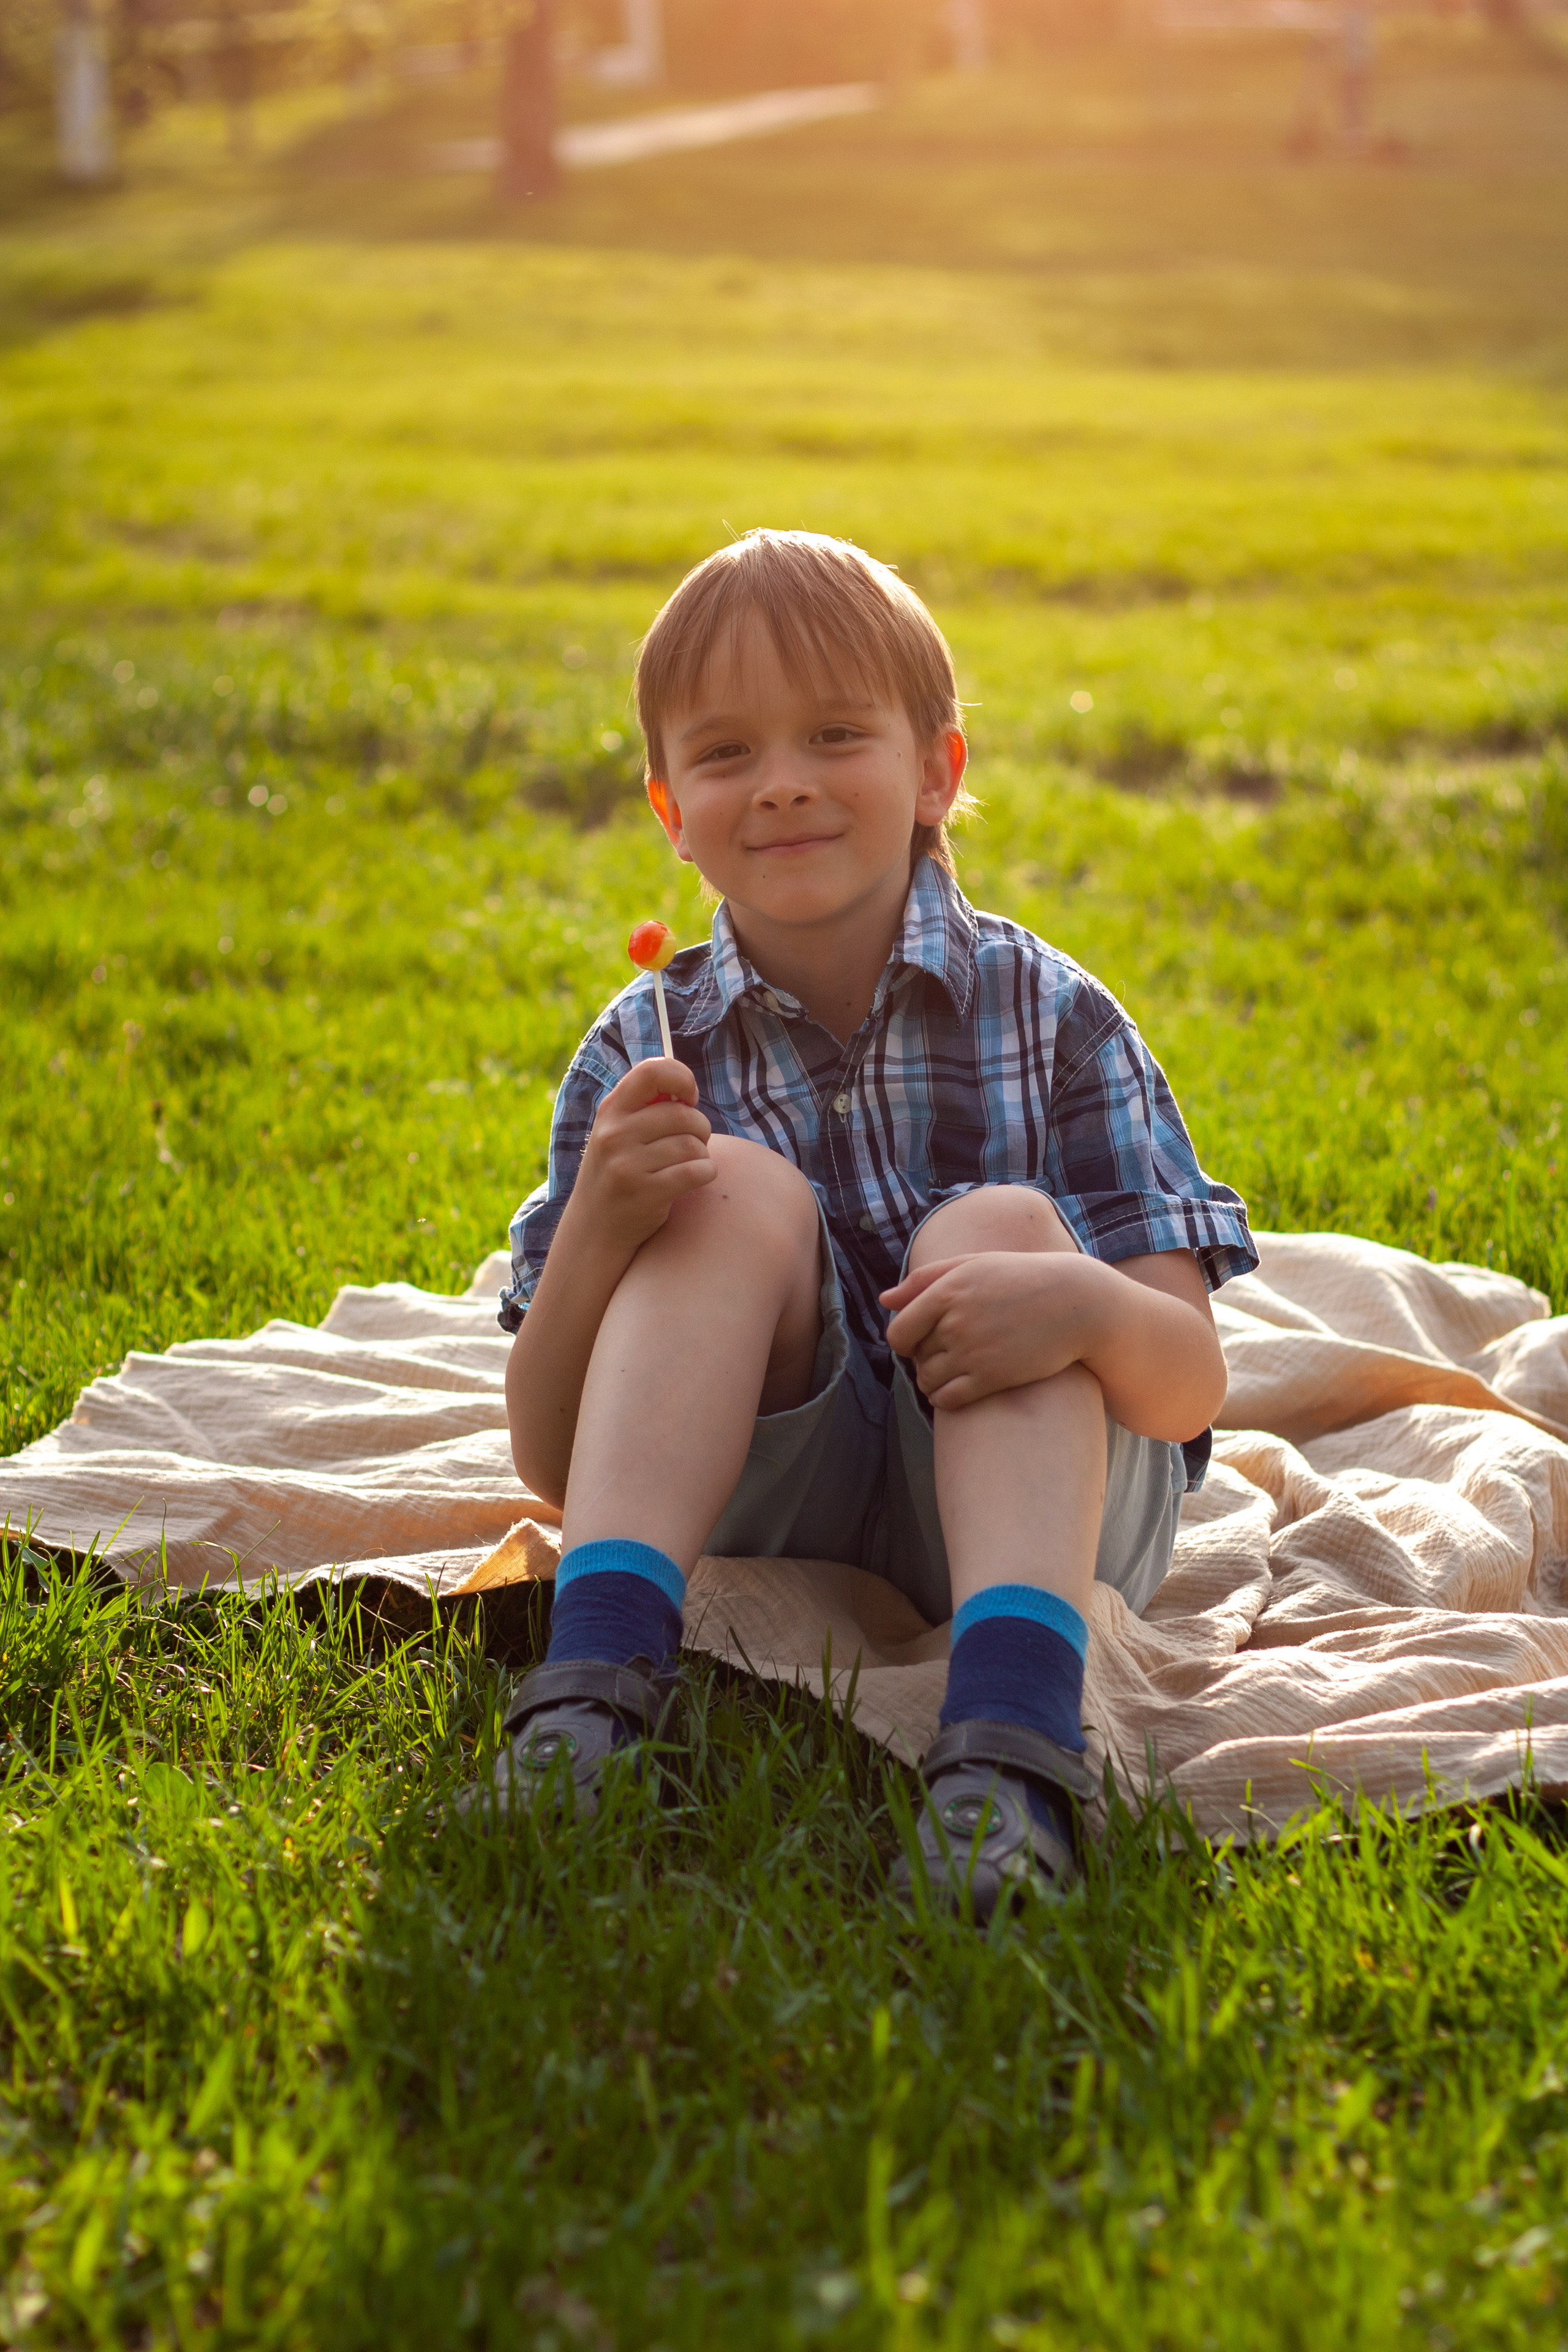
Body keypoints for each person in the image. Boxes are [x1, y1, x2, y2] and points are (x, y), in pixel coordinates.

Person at [478, 530, 1256, 1918]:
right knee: (722, 1194)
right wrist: (600, 1227)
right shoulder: (645, 1050)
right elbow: (547, 1459)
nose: (779, 782)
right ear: (669, 807)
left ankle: (1011, 1764)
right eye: (724, 755)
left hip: (1042, 1522)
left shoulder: (1056, 1018)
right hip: (778, 1509)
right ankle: (588, 1705)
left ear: (936, 773)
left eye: (835, 733)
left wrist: (1075, 1305)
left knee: (1001, 1226)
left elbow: (1191, 1383)